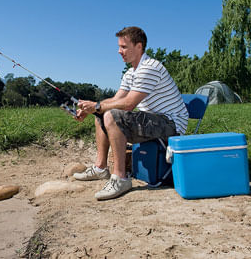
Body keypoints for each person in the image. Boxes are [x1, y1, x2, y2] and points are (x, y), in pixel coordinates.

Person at [73, 26, 188, 200]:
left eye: (124, 47)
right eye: (119, 47)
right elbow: (115, 100)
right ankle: (101, 168)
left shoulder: (150, 67)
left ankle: (120, 178)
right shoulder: (130, 73)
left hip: (171, 125)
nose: (120, 51)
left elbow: (128, 104)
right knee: (102, 114)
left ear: (139, 46)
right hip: (153, 122)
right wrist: (91, 109)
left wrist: (97, 106)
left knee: (111, 114)